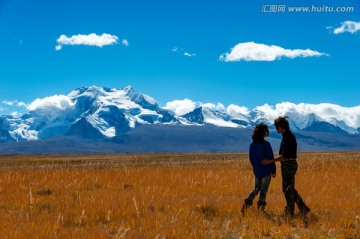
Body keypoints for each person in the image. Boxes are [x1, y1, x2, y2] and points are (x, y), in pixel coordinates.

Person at [263, 116, 310, 218]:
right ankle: (302, 208)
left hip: (289, 165)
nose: (276, 129)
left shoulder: (288, 137)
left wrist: (271, 161)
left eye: (277, 127)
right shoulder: (287, 135)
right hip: (288, 164)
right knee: (289, 188)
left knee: (287, 189)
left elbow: (285, 156)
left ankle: (291, 210)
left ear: (281, 127)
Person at [241, 123, 276, 215]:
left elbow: (251, 158)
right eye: (266, 130)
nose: (268, 132)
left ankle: (246, 204)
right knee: (264, 190)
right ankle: (261, 208)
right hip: (266, 170)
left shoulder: (252, 144)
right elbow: (271, 158)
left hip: (257, 170)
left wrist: (256, 167)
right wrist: (273, 171)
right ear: (263, 132)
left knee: (256, 188)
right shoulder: (266, 144)